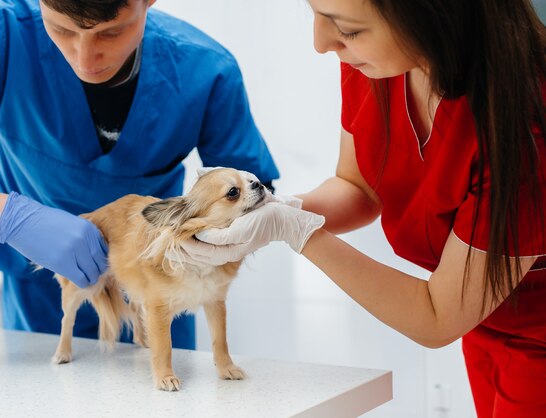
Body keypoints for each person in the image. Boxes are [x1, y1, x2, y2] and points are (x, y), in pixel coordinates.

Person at [180, 0, 546, 415]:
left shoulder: (524, 127)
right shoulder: (378, 64)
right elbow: (359, 188)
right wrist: (268, 211)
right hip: (484, 319)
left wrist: (295, 230)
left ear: (435, 16)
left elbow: (437, 317)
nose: (320, 43)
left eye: (348, 30)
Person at [0, 0, 279, 350]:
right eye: (61, 29)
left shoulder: (206, 69)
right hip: (42, 294)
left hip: (159, 285)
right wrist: (8, 218)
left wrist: (210, 246)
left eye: (112, 33)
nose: (84, 59)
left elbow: (255, 198)